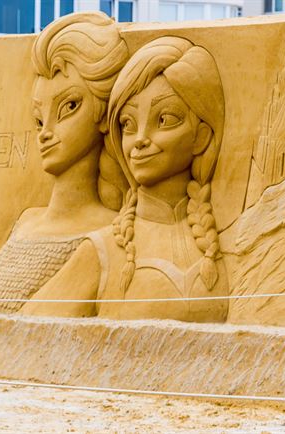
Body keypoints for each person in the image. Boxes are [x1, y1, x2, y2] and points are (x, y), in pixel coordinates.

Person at [23, 36, 229, 322]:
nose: (141, 139)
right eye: (128, 125)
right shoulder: (102, 251)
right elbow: (19, 337)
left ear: (202, 137)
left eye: (165, 119)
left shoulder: (230, 248)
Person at [0, 12, 129, 313]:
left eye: (69, 107)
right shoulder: (25, 221)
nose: (46, 132)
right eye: (39, 118)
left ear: (103, 114)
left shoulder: (109, 234)